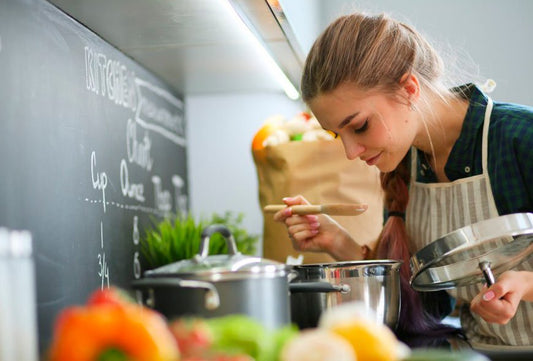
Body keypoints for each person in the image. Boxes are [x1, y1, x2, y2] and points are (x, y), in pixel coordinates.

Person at [273, 12, 533, 350]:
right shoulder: (405, 165)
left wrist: (525, 284)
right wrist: (337, 241)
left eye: (360, 126)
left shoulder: (519, 137)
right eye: (338, 135)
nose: (351, 152)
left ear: (408, 88)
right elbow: (425, 303)